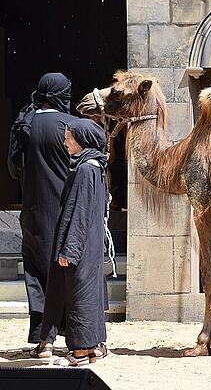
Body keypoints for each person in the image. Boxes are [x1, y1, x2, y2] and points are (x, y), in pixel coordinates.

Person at [8, 73, 77, 347]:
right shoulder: (71, 126)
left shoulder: (23, 124)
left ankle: (42, 341)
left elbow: (14, 171)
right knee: (67, 276)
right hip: (63, 215)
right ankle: (76, 339)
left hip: (33, 215)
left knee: (36, 276)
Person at [41, 118, 109, 366]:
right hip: (89, 244)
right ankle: (93, 349)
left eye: (70, 137)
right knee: (88, 293)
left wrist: (69, 249)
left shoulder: (85, 169)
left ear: (82, 140)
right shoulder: (94, 166)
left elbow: (80, 212)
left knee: (80, 294)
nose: (66, 141)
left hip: (81, 245)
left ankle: (81, 352)